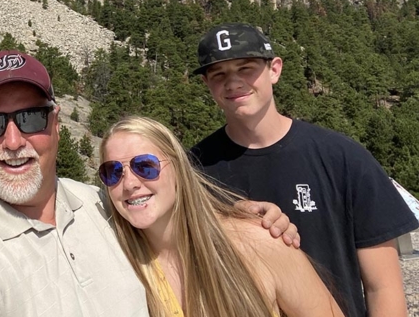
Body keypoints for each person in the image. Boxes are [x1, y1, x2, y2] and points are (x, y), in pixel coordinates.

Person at [0, 50, 298, 316]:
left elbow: (164, 217)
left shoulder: (98, 203)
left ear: (56, 123)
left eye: (31, 118)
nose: (13, 141)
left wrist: (232, 218)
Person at [189, 23, 418, 317]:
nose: (233, 82)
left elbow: (383, 288)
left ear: (274, 69)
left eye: (245, 68)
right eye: (219, 74)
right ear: (207, 84)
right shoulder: (193, 170)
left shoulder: (343, 157)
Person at [100, 116, 344, 317]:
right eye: (113, 172)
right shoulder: (119, 265)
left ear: (178, 168)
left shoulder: (259, 242)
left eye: (145, 166)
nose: (130, 183)